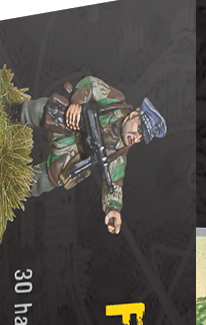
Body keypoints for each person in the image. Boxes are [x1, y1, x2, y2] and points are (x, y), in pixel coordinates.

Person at [17, 75, 165, 234]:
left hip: (74, 153)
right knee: (51, 110)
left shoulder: (118, 152)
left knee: (55, 176)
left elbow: (114, 183)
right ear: (134, 115)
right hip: (71, 122)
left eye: (141, 137)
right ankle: (14, 112)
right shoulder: (116, 102)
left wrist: (113, 209)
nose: (136, 137)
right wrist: (77, 103)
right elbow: (91, 83)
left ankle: (16, 187)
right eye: (139, 129)